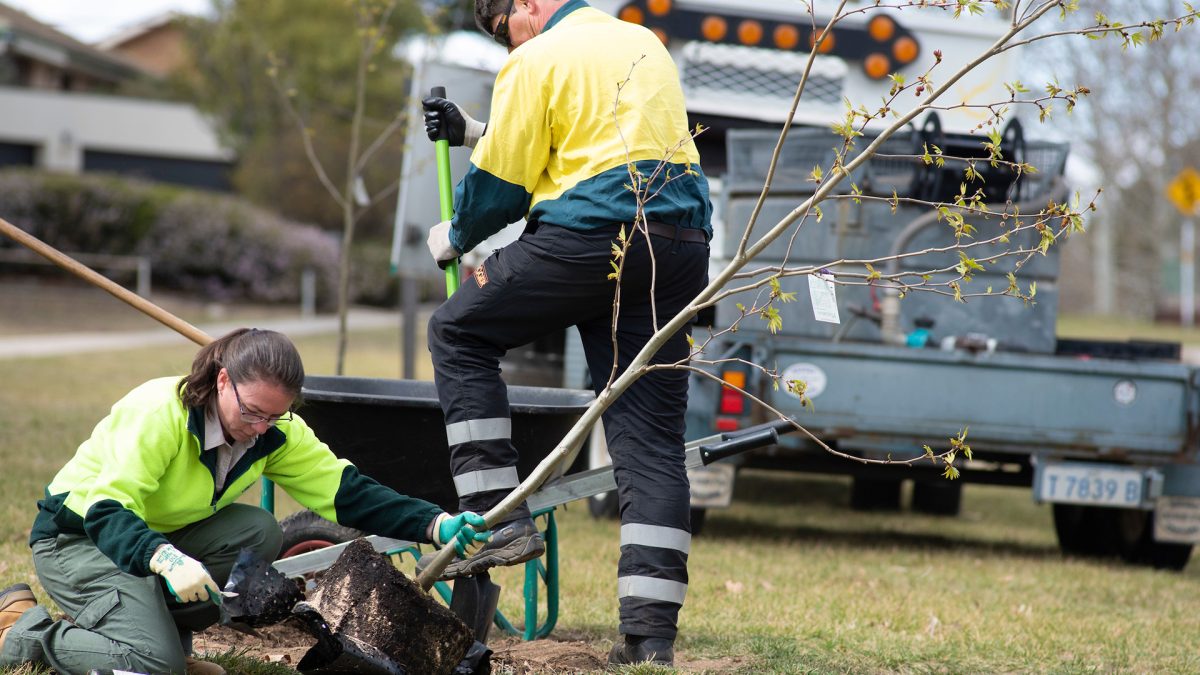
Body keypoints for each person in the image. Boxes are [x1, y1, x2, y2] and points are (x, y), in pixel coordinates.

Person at [420, 0, 711, 666]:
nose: (506, 45)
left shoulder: (535, 56)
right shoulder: (640, 41)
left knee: (458, 332)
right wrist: (474, 131)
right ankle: (649, 637)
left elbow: (504, 181)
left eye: (503, 30)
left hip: (590, 239)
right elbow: (585, 141)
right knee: (650, 440)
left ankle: (496, 517)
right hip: (678, 245)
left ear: (525, 6)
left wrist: (456, 235)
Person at [0, 328, 489, 675]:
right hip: (80, 539)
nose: (259, 429)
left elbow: (347, 492)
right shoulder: (158, 412)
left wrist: (434, 524)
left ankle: (158, 636)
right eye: (251, 411)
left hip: (151, 537)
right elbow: (106, 508)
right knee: (152, 667)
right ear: (221, 381)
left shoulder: (276, 432)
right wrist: (167, 559)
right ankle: (20, 632)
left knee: (258, 532)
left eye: (274, 418)